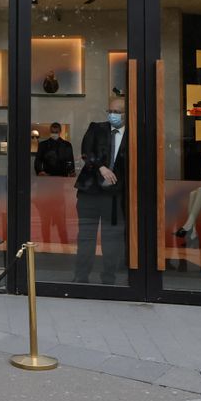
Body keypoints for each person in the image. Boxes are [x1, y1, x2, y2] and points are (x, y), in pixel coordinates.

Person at [74, 96, 129, 285]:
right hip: (90, 191)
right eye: (110, 111)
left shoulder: (133, 135)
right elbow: (86, 152)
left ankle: (108, 278)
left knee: (111, 239)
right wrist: (101, 167)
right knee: (86, 237)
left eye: (117, 112)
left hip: (114, 196)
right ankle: (81, 276)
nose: (112, 115)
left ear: (127, 114)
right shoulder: (97, 128)